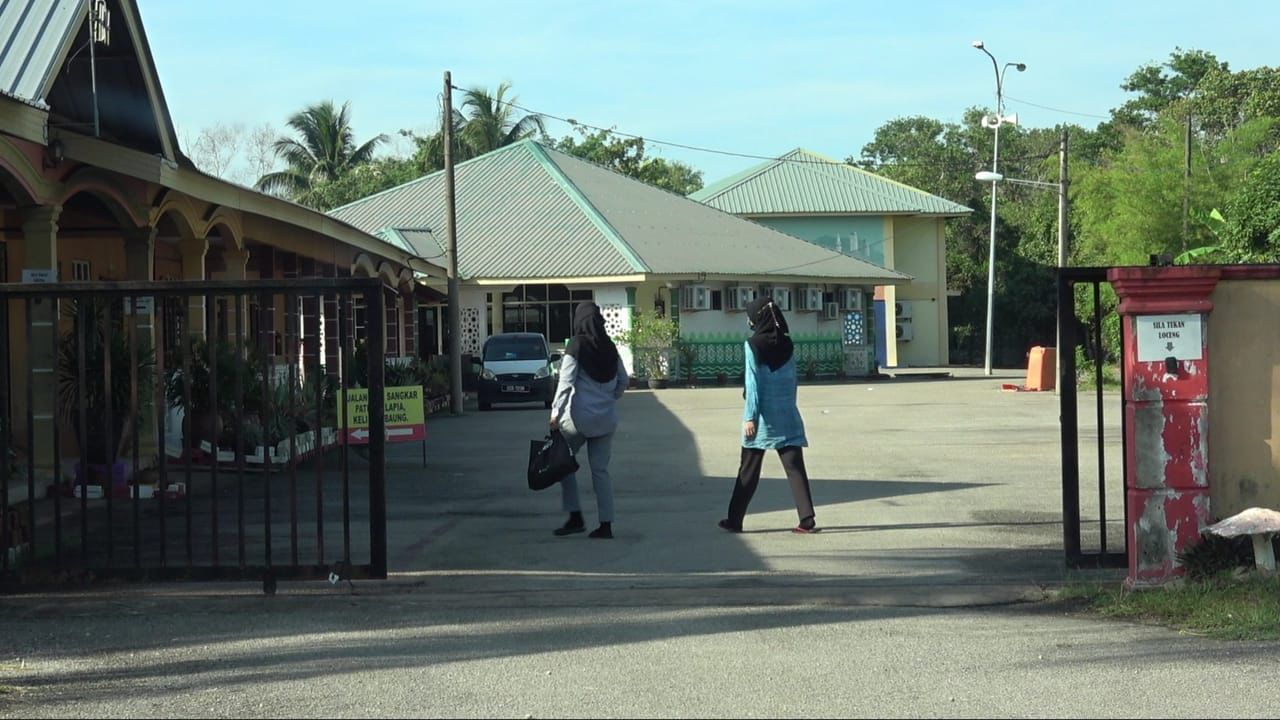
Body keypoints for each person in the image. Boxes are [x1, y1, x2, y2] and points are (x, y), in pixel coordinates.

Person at [719, 297, 818, 534]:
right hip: (787, 414)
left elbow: (753, 383)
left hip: (762, 419)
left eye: (750, 315)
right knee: (794, 467)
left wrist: (749, 417)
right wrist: (789, 407)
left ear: (758, 318)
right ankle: (807, 519)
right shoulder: (788, 344)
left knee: (749, 470)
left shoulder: (752, 345)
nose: (748, 320)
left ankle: (735, 520)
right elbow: (793, 381)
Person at [549, 302, 629, 539]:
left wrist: (555, 413)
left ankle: (575, 517)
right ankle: (606, 524)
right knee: (601, 472)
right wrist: (608, 399)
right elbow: (623, 381)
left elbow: (565, 383)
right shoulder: (610, 347)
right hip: (606, 421)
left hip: (579, 420)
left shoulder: (576, 346)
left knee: (563, 462)